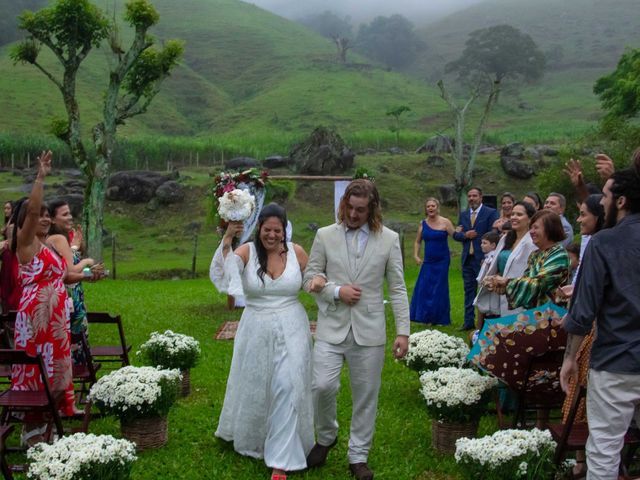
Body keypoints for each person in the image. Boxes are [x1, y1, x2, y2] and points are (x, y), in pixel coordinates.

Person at [303, 179, 409, 480]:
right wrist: (336, 291)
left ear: (372, 209)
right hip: (332, 326)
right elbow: (310, 277)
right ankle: (326, 436)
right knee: (321, 386)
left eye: (360, 210)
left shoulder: (389, 239)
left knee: (366, 395)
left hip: (370, 329)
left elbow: (398, 288)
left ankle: (358, 456)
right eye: (349, 208)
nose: (352, 214)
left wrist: (403, 331)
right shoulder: (324, 235)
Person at [215, 203, 313, 480]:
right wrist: (227, 239)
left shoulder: (297, 253)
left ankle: (280, 461)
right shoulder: (246, 252)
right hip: (256, 327)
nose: (271, 235)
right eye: (267, 230)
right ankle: (256, 436)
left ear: (285, 230)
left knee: (287, 384)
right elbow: (225, 272)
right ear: (259, 229)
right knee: (259, 386)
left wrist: (322, 285)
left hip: (293, 326)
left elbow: (312, 280)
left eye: (277, 230)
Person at [560, 158, 640, 479]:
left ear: (621, 202)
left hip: (615, 362)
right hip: (619, 359)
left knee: (605, 448)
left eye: (604, 197)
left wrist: (569, 358)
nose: (601, 202)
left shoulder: (603, 242)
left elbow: (583, 310)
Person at [11, 152, 76, 443]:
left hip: (57, 320)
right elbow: (33, 210)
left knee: (59, 374)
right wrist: (41, 177)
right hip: (37, 321)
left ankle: (50, 422)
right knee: (38, 373)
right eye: (41, 215)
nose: (46, 219)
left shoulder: (48, 246)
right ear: (26, 221)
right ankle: (32, 430)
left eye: (50, 216)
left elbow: (64, 275)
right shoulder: (25, 244)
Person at [556, 194, 605, 478]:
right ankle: (581, 458)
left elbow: (592, 298)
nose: (579, 219)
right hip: (591, 330)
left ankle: (587, 459)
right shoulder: (595, 244)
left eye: (584, 213)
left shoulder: (602, 246)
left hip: (597, 335)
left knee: (581, 395)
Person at [47, 199, 103, 365]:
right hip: (70, 302)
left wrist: (88, 272)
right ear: (52, 219)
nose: (70, 217)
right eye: (65, 214)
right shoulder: (58, 238)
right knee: (76, 350)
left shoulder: (56, 239)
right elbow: (69, 272)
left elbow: (68, 269)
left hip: (72, 298)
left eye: (70, 213)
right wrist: (87, 263)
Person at [487, 210, 570, 310]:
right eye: (531, 228)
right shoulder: (535, 255)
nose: (531, 232)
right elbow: (527, 281)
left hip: (552, 316)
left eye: (536, 228)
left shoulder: (558, 254)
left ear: (550, 229)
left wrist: (507, 282)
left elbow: (540, 283)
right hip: (534, 316)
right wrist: (504, 288)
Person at [453, 187, 499, 331]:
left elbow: (495, 234)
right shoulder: (464, 215)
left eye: (474, 196)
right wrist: (466, 235)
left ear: (481, 197)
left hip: (484, 259)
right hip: (468, 258)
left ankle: (485, 322)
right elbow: (456, 234)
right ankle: (468, 322)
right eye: (469, 196)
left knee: (485, 290)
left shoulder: (490, 213)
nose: (471, 199)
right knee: (468, 290)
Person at [410, 197, 454, 325]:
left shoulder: (446, 222)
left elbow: (455, 235)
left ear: (437, 208)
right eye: (428, 206)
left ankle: (439, 318)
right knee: (424, 288)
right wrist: (416, 256)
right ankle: (424, 316)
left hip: (442, 261)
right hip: (428, 261)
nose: (430, 208)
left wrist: (464, 234)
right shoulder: (422, 224)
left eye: (433, 206)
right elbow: (417, 241)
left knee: (439, 289)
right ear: (426, 209)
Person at [472, 230, 500, 334]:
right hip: (485, 287)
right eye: (481, 242)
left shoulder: (492, 258)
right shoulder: (487, 257)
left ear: (493, 245)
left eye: (484, 243)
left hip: (489, 290)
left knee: (488, 310)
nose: (481, 245)